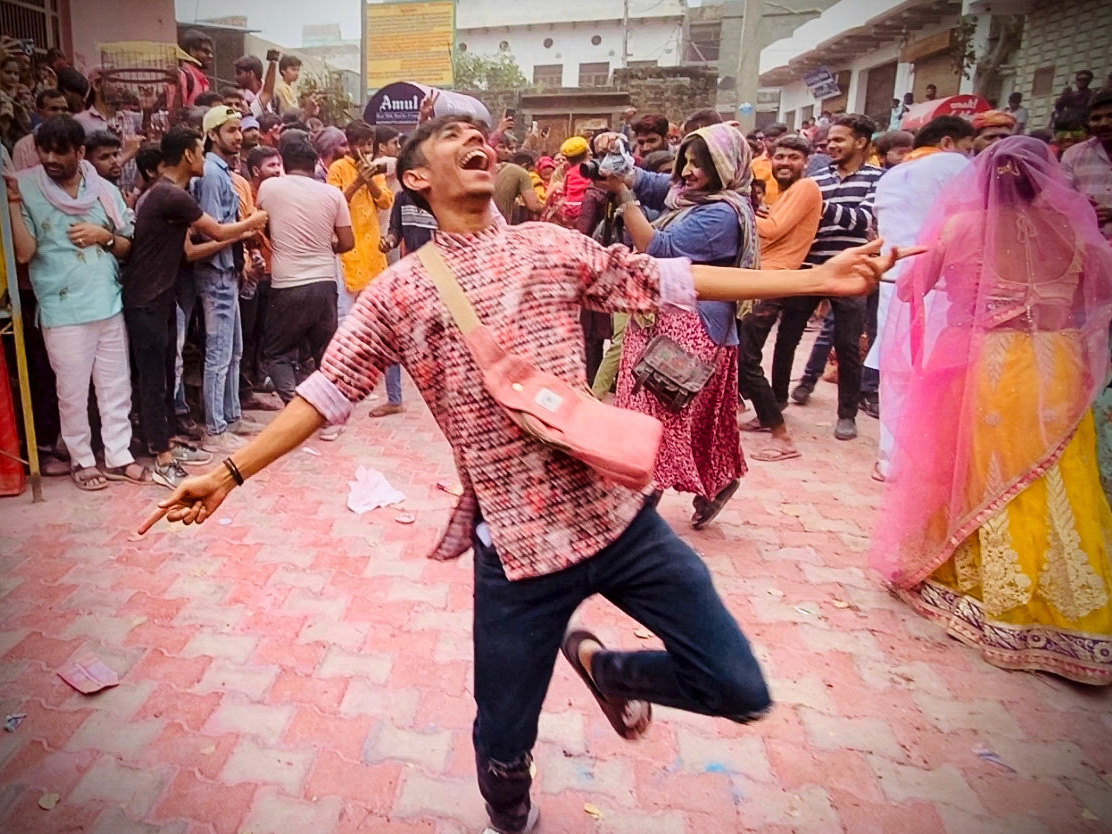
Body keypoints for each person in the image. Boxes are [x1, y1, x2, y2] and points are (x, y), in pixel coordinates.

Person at [146, 113, 909, 834]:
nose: (472, 139)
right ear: (416, 179)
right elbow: (324, 392)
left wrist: (820, 279)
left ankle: (610, 671)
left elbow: (672, 279)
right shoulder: (397, 293)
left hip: (620, 522)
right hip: (517, 552)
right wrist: (229, 473)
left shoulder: (550, 245)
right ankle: (511, 812)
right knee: (505, 742)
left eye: (475, 132)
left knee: (739, 688)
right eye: (449, 136)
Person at [870, 136, 1112, 685]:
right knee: (1056, 473)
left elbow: (911, 289)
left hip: (987, 362)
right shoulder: (1077, 230)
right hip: (1056, 362)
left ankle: (990, 594)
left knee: (983, 469)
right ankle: (1072, 608)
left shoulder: (961, 227)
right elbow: (1095, 296)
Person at [609, 124, 755, 528]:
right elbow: (653, 183)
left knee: (655, 413)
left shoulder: (722, 214)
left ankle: (640, 507)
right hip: (667, 323)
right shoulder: (691, 198)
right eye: (685, 162)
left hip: (691, 331)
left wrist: (624, 198)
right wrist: (622, 166)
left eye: (698, 164)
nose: (687, 172)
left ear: (725, 168)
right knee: (685, 417)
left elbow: (659, 249)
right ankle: (715, 482)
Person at [4, 115, 147, 490]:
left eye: (59, 151)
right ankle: (81, 459)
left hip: (107, 300)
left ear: (80, 152)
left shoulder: (102, 190)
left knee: (116, 386)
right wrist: (14, 204)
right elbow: (24, 253)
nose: (50, 158)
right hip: (62, 308)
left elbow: (127, 246)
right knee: (72, 391)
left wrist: (103, 236)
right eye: (44, 151)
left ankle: (118, 456)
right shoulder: (25, 187)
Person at [126, 126, 267, 488]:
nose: (204, 159)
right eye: (200, 153)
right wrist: (251, 222)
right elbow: (217, 231)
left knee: (166, 374)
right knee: (154, 380)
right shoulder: (171, 195)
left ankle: (169, 442)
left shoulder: (171, 194)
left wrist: (239, 233)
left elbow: (189, 251)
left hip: (162, 297)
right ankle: (161, 457)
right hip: (146, 300)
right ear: (188, 155)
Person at [867, 115, 974, 481]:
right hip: (938, 284)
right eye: (968, 147)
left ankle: (890, 459)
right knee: (936, 372)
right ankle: (930, 459)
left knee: (897, 370)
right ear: (948, 142)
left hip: (894, 281)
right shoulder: (955, 165)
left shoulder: (891, 175)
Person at [777, 114, 883, 441]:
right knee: (787, 337)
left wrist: (816, 207)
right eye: (829, 140)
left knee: (847, 345)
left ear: (861, 142)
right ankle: (776, 402)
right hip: (809, 269)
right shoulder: (816, 179)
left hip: (850, 274)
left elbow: (863, 220)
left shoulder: (877, 179)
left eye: (839, 140)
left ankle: (846, 415)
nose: (831, 146)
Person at [738, 135, 822, 463]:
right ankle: (765, 415)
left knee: (745, 358)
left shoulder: (806, 188)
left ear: (806, 162)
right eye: (780, 157)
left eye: (793, 158)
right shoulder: (787, 193)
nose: (785, 163)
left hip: (772, 281)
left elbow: (772, 229)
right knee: (743, 355)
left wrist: (738, 209)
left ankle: (781, 436)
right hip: (761, 278)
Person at [257, 141, 353, 422]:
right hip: (324, 282)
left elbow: (264, 225)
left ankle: (295, 407)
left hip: (287, 283)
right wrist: (324, 245)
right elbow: (347, 242)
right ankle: (327, 411)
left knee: (277, 352)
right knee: (324, 352)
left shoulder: (270, 188)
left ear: (285, 163)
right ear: (315, 165)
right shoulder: (333, 193)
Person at [193, 105, 263, 454]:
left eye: (238, 130)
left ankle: (231, 416)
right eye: (231, 130)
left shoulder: (222, 171)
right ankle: (215, 428)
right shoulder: (211, 173)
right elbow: (210, 230)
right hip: (216, 271)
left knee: (233, 351)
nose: (238, 136)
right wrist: (247, 228)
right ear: (212, 134)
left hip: (228, 270)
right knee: (219, 353)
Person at [327, 120, 394, 298]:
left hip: (372, 247)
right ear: (350, 145)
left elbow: (386, 202)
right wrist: (357, 183)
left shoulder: (375, 169)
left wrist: (369, 179)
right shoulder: (337, 168)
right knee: (347, 307)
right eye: (361, 144)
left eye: (369, 144)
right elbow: (334, 205)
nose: (366, 150)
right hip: (348, 248)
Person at [1060, 89, 1112, 238]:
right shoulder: (1073, 155)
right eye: (1096, 118)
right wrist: (1083, 207)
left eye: (1110, 116)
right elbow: (1061, 198)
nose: (1103, 123)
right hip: (1086, 243)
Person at [11, 87, 69, 170]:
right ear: (39, 113)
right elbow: (20, 177)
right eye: (54, 109)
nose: (60, 113)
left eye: (64, 109)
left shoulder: (76, 141)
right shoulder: (24, 146)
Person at [493, 142, 542, 224]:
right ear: (525, 165)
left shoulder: (497, 168)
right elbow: (533, 206)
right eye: (531, 171)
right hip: (501, 223)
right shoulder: (522, 172)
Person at [751, 122, 788, 205]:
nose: (776, 144)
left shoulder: (790, 163)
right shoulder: (755, 164)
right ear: (764, 140)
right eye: (771, 140)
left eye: (780, 140)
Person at [178, 30, 214, 108]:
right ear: (192, 51)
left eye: (211, 53)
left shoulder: (201, 79)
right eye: (206, 52)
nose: (211, 56)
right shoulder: (182, 76)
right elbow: (177, 110)